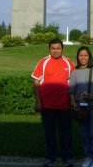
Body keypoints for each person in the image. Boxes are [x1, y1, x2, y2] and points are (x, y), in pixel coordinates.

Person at [31, 38, 75, 167]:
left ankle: (67, 158)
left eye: (58, 48)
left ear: (62, 49)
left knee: (66, 133)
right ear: (49, 49)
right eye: (53, 48)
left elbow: (75, 81)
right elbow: (36, 81)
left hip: (65, 105)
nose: (55, 51)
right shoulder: (43, 62)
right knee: (50, 133)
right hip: (47, 105)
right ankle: (51, 157)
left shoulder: (68, 62)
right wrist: (38, 102)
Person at [69, 46, 93, 167]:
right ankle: (89, 156)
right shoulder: (74, 72)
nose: (83, 58)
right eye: (81, 55)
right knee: (84, 134)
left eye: (86, 55)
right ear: (77, 57)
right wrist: (73, 103)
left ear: (89, 56)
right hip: (81, 107)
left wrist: (92, 96)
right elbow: (71, 91)